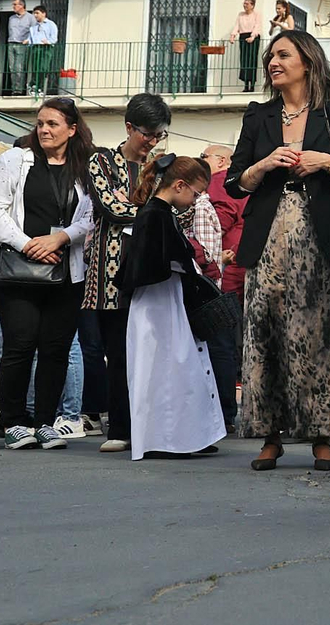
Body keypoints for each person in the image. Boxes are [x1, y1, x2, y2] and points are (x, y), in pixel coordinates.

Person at [227, 30, 330, 472]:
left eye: (283, 54)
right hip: (267, 232)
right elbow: (234, 181)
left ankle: (321, 435)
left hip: (317, 230)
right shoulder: (259, 115)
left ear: (308, 60)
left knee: (316, 335)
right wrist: (264, 165)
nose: (273, 62)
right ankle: (269, 436)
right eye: (270, 56)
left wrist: (323, 161)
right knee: (261, 333)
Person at [0, 98, 95, 450]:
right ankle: (15, 421)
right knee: (19, 343)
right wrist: (28, 243)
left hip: (67, 268)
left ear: (72, 129)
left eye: (53, 124)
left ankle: (46, 421)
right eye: (40, 123)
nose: (44, 130)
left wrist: (61, 238)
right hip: (17, 268)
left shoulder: (86, 166)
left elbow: (92, 216)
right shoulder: (14, 160)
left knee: (56, 347)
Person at [83, 92, 171, 453]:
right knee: (118, 353)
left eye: (158, 134)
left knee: (155, 353)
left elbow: (181, 210)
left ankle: (155, 429)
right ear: (129, 127)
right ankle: (120, 428)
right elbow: (111, 206)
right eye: (147, 133)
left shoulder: (164, 167)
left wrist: (154, 210)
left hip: (154, 273)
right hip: (111, 276)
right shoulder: (101, 160)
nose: (151, 141)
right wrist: (155, 211)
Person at [123, 155, 225, 460]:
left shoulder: (158, 212)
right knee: (168, 367)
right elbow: (152, 261)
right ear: (179, 185)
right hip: (159, 304)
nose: (195, 201)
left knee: (174, 367)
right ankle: (168, 437)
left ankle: (181, 435)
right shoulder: (156, 214)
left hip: (164, 301)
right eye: (194, 193)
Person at [200, 145, 246, 430]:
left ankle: (223, 412)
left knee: (221, 344)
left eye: (204, 158)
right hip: (250, 269)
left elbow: (219, 219)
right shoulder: (252, 181)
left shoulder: (221, 181)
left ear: (220, 161)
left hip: (225, 271)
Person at [230, 0, 263, 93]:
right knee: (244, 60)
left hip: (253, 36)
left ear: (252, 5)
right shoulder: (241, 15)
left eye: (247, 4)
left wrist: (252, 37)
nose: (245, 6)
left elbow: (257, 26)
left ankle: (252, 85)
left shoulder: (256, 14)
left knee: (252, 60)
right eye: (244, 4)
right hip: (243, 36)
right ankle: (245, 85)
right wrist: (233, 35)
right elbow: (237, 26)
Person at [27, 5, 59, 95]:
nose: (35, 15)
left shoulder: (51, 24)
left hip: (46, 47)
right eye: (34, 13)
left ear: (44, 14)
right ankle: (34, 86)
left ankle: (39, 86)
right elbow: (31, 37)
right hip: (36, 47)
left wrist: (48, 41)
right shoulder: (33, 26)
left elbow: (54, 38)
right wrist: (28, 42)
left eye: (37, 13)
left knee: (43, 67)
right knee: (35, 67)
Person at [5, 0, 34, 96]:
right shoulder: (11, 18)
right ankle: (14, 89)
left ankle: (19, 90)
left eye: (15, 4)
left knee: (19, 68)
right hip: (11, 43)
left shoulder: (30, 17)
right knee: (11, 68)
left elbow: (34, 31)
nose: (13, 6)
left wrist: (29, 40)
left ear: (21, 6)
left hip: (22, 44)